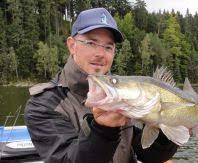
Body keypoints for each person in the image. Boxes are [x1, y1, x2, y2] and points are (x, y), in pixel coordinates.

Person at [24, 8, 178, 163]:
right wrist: (103, 130)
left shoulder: (124, 93)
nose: (100, 53)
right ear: (72, 45)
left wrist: (170, 127)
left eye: (108, 47)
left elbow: (151, 155)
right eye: (91, 43)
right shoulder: (43, 105)